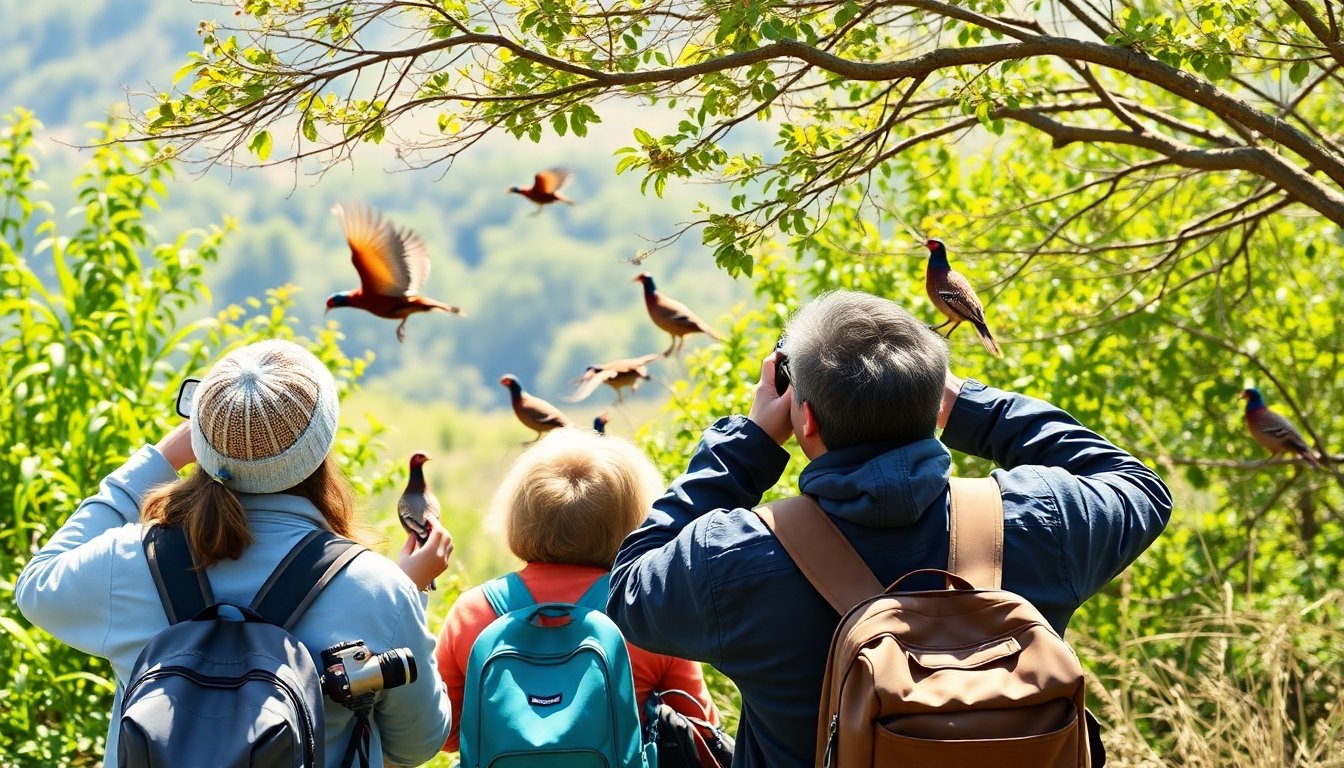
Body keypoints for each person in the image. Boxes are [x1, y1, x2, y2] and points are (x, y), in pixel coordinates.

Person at [606, 290, 1173, 768]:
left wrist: (749, 444)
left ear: (804, 418)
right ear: (934, 403)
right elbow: (1139, 486)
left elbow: (628, 589)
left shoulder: (735, 559)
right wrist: (966, 405)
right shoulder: (1036, 521)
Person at [15, 339, 454, 767]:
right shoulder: (376, 588)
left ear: (201, 441)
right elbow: (417, 743)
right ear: (323, 443)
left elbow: (36, 586)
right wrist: (408, 591)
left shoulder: (130, 559)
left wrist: (160, 458)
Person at [435, 426, 720, 754]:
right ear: (634, 519)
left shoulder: (473, 612)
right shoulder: (647, 611)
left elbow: (447, 736)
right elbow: (701, 738)